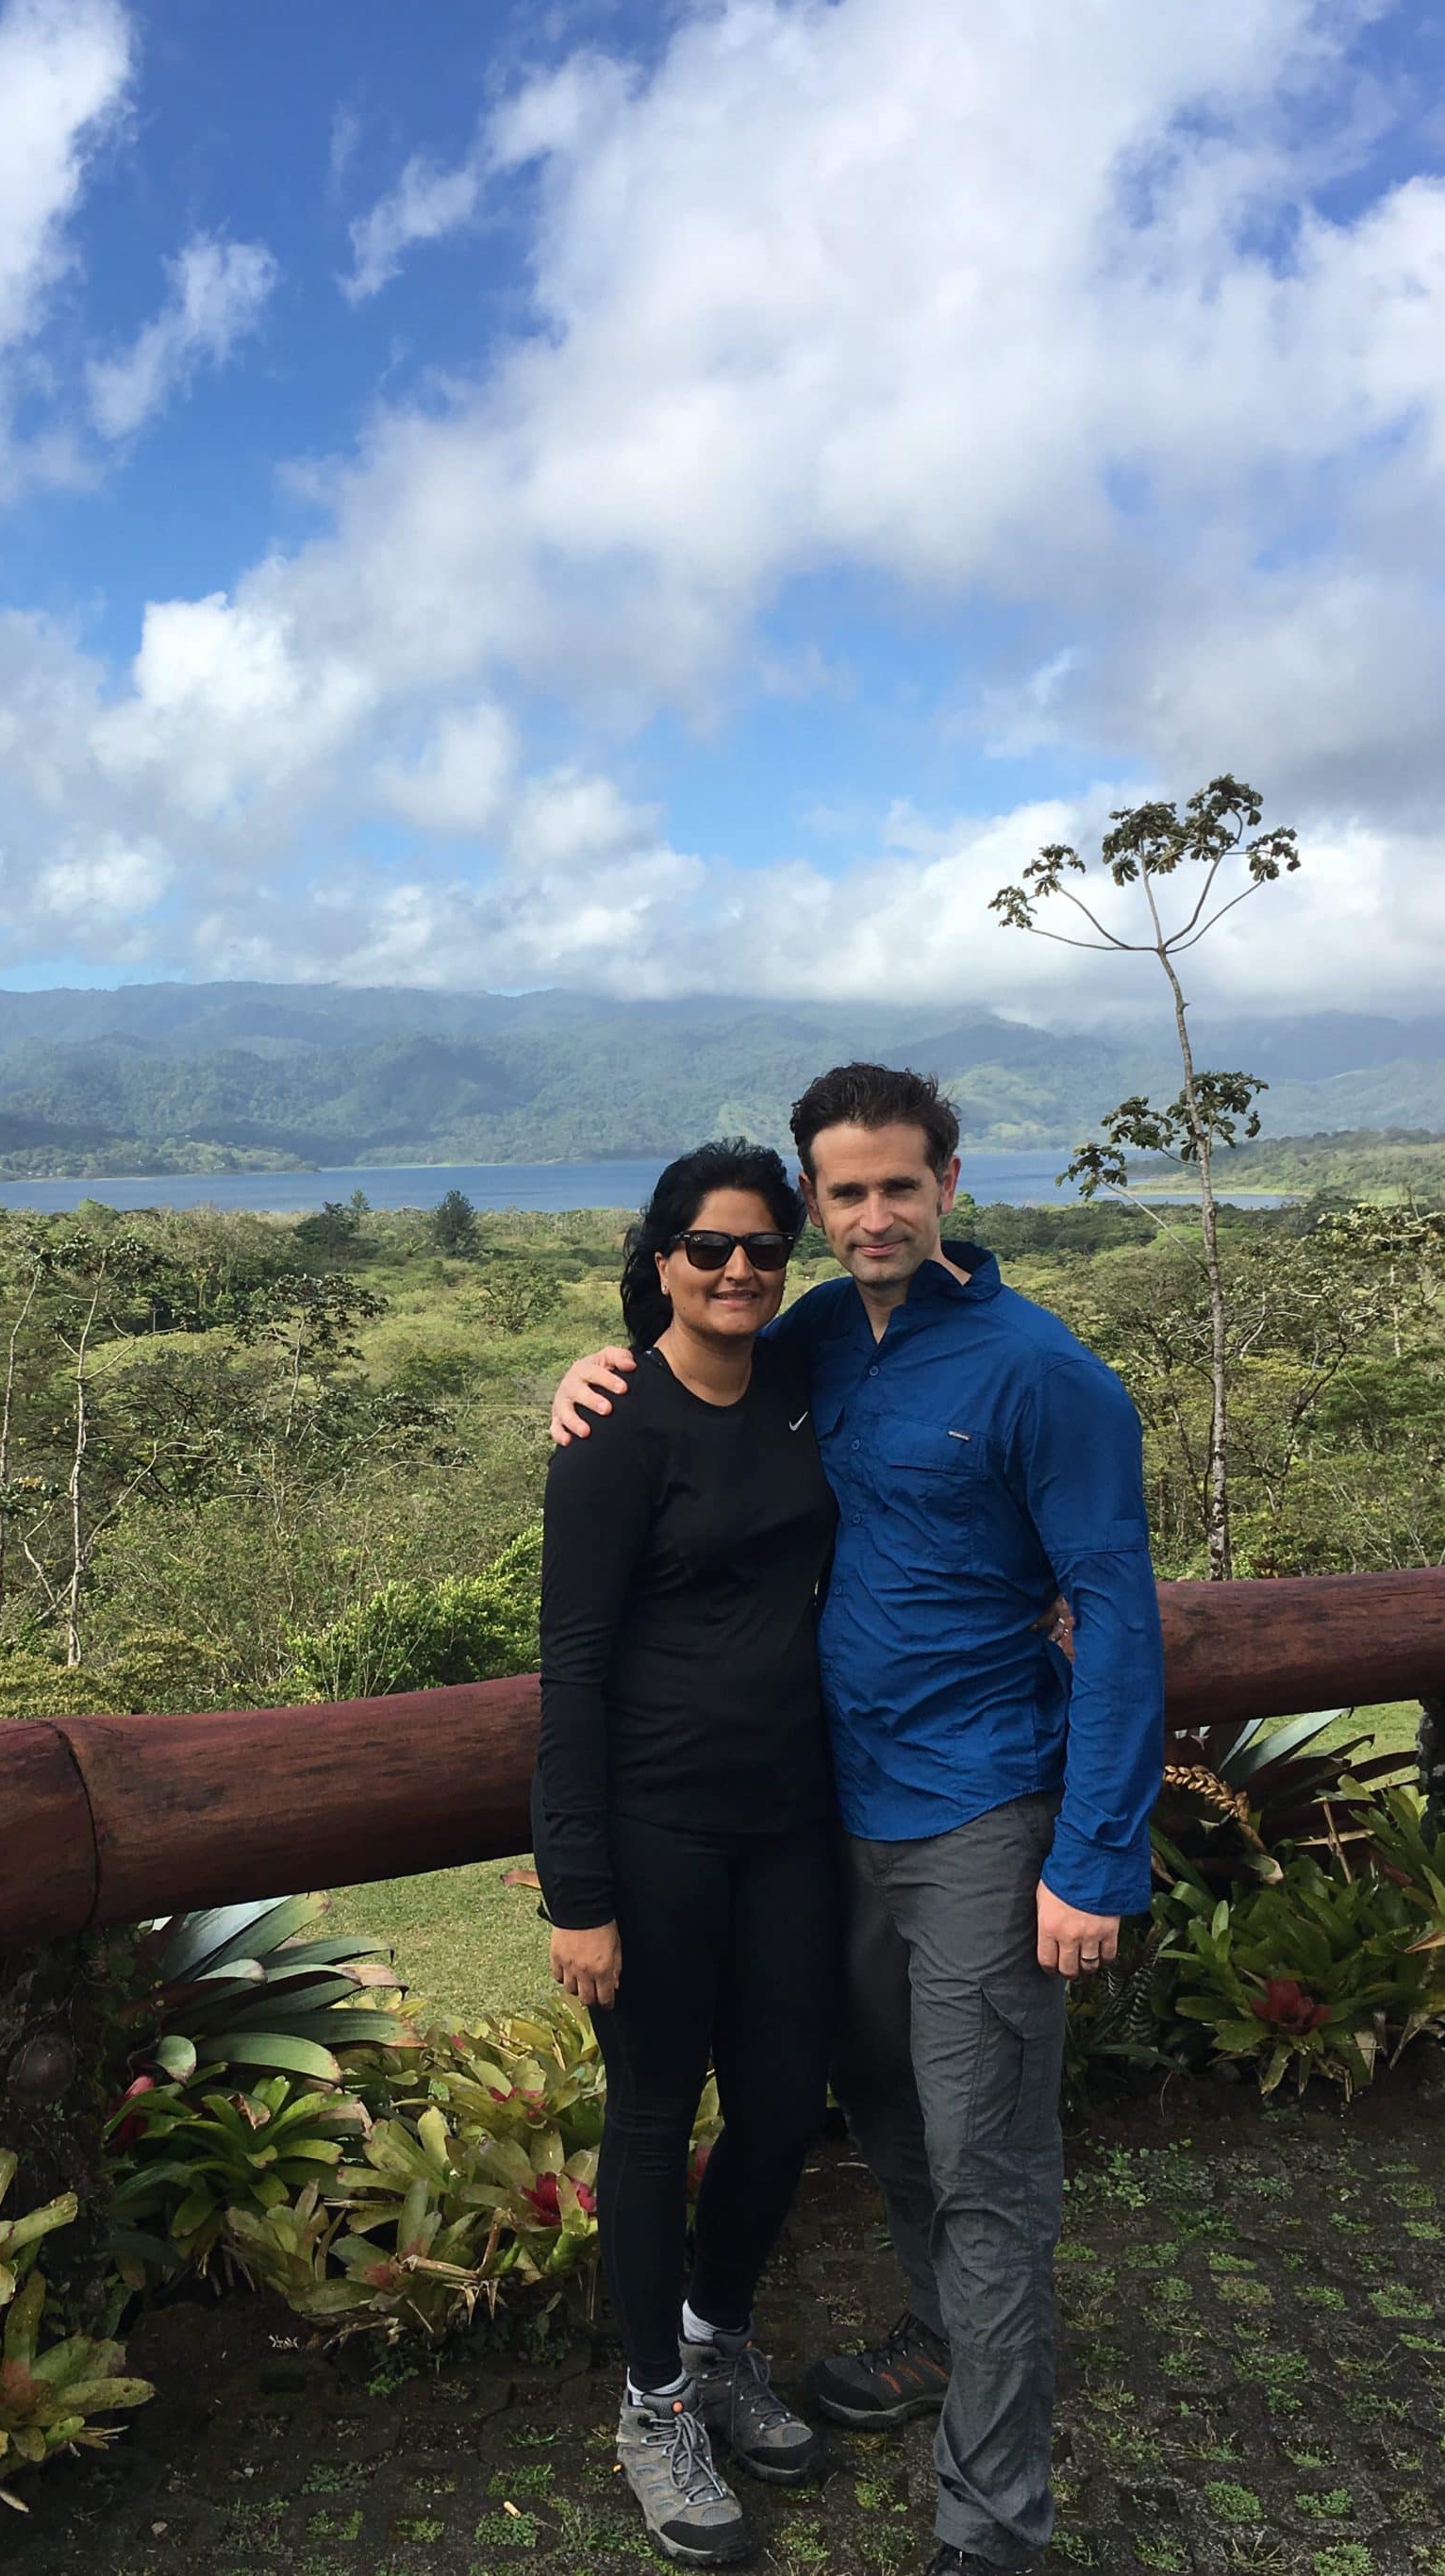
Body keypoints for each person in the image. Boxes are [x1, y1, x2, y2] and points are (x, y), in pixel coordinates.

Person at [551, 1065, 1164, 2576]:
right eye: (845, 1193)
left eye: (900, 1184)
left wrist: (1094, 1855)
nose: (872, 1215)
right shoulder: (823, 1335)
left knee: (986, 2168)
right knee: (883, 2104)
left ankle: (992, 2523)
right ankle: (939, 2339)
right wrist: (585, 1372)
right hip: (835, 1812)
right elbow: (685, 1373)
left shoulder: (1047, 1377)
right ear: (819, 1206)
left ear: (950, 1181)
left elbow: (1118, 1613)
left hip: (984, 1812)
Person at [537, 1138, 842, 2567]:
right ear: (661, 1258)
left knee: (780, 2107)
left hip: (790, 1821)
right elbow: (571, 1671)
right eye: (709, 1247)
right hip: (657, 1826)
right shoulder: (614, 1431)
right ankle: (653, 2406)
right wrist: (578, 1893)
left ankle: (718, 2345)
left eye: (764, 1249)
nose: (738, 1271)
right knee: (655, 2116)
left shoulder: (799, 1382)